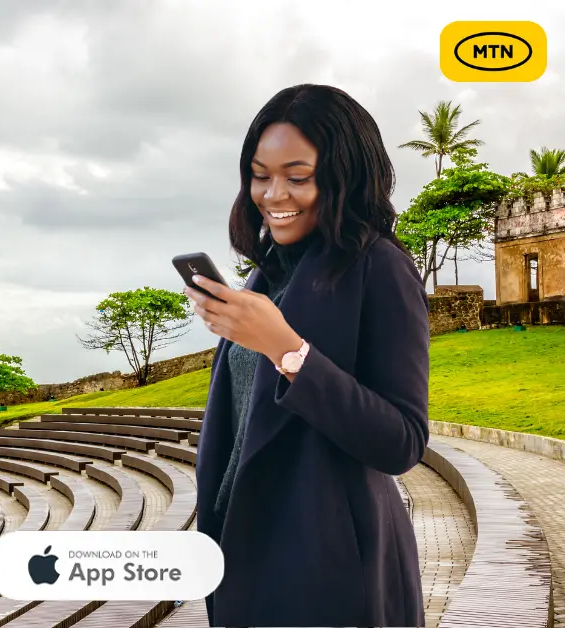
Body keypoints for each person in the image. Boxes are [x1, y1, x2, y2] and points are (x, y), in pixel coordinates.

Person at [184, 84, 428, 627]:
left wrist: (288, 351)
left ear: (346, 176)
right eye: (260, 175)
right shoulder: (267, 274)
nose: (274, 194)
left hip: (328, 566)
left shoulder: (380, 267)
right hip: (246, 548)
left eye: (297, 177)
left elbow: (402, 441)